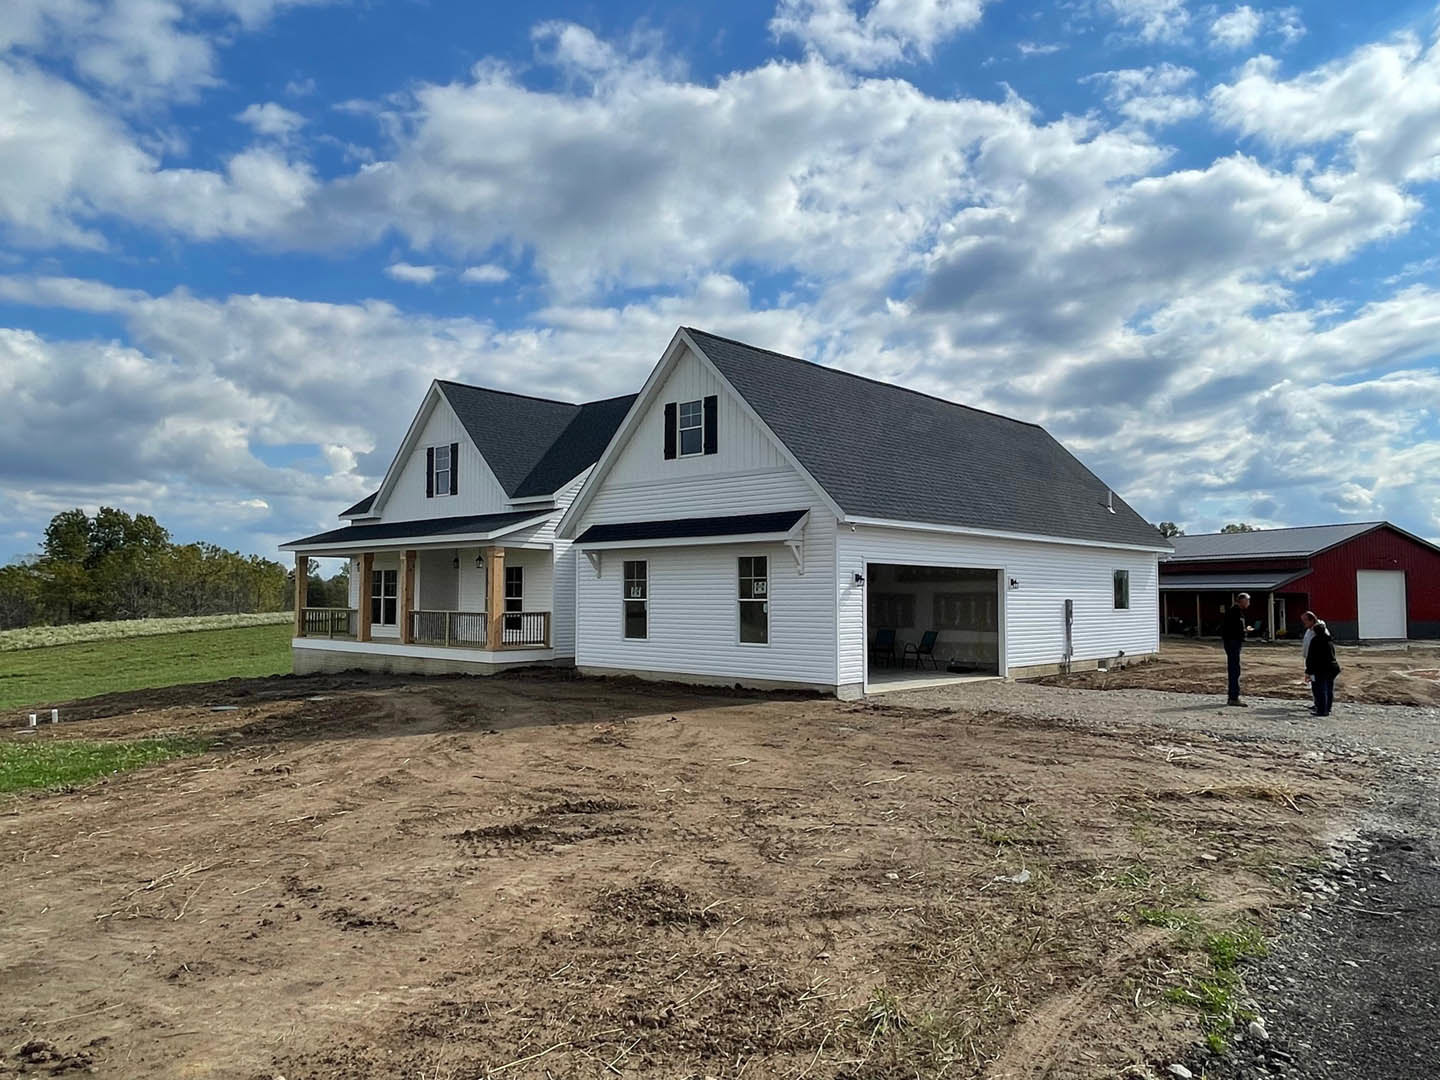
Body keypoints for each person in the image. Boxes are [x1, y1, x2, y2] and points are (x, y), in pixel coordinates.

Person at [1300, 610, 1341, 716]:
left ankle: (1322, 709)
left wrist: (1308, 671)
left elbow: (1312, 657)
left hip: (1320, 667)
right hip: (1331, 666)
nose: (1304, 624)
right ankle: (1325, 706)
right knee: (1327, 687)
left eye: (1305, 621)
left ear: (1312, 620)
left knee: (1320, 688)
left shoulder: (1316, 639)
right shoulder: (1328, 639)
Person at [1221, 592, 1252, 706]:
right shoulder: (1235, 612)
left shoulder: (1233, 611)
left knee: (1234, 669)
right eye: (1247, 601)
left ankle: (1233, 696)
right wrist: (1245, 631)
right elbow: (1235, 629)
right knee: (1234, 669)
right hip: (1233, 642)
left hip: (1231, 641)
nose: (1249, 603)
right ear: (1242, 601)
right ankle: (1233, 697)